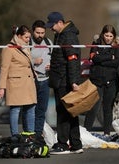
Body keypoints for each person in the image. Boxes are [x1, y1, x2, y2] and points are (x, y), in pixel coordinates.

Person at [45, 12, 83, 154]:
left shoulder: (67, 36)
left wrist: (73, 81)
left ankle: (63, 144)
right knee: (71, 112)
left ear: (60, 22)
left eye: (52, 25)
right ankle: (76, 144)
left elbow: (73, 59)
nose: (51, 29)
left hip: (65, 81)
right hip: (61, 77)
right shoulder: (62, 34)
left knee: (63, 112)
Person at [0, 25, 37, 137]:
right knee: (15, 109)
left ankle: (30, 134)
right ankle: (14, 135)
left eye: (29, 37)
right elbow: (4, 68)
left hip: (28, 83)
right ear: (19, 36)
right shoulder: (8, 48)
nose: (28, 40)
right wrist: (2, 88)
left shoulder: (26, 47)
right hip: (15, 84)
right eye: (26, 37)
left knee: (31, 108)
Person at [84, 25, 119, 135]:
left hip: (111, 81)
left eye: (111, 36)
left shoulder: (117, 47)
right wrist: (109, 57)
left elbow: (116, 62)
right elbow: (93, 58)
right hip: (97, 81)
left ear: (114, 36)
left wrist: (101, 59)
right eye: (106, 35)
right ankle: (86, 132)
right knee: (93, 108)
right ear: (102, 34)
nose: (108, 38)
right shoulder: (96, 44)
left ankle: (107, 133)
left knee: (108, 108)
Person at [30, 20, 52, 141]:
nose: (40, 35)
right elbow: (20, 61)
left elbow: (56, 59)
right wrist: (34, 62)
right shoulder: (28, 43)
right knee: (30, 108)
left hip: (46, 80)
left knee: (42, 109)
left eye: (42, 32)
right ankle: (29, 132)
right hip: (32, 80)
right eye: (37, 32)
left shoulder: (49, 43)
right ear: (33, 31)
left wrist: (52, 66)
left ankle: (38, 134)